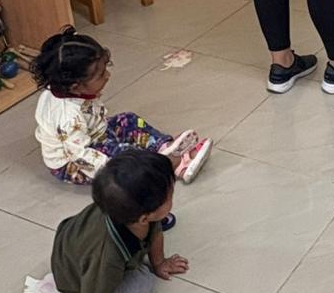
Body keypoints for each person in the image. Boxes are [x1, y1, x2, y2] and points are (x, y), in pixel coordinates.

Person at [31, 26, 211, 195]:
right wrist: (117, 167)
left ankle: (165, 147)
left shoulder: (65, 88)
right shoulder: (67, 117)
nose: (108, 75)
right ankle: (171, 165)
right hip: (75, 164)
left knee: (128, 120)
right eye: (101, 75)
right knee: (123, 152)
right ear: (76, 87)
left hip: (93, 134)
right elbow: (80, 155)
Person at [50, 151, 187, 293]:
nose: (173, 193)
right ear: (144, 218)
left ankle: (141, 260)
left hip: (77, 238)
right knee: (139, 288)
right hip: (77, 273)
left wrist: (159, 263)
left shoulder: (129, 209)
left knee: (145, 255)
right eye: (170, 195)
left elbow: (156, 232)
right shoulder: (106, 256)